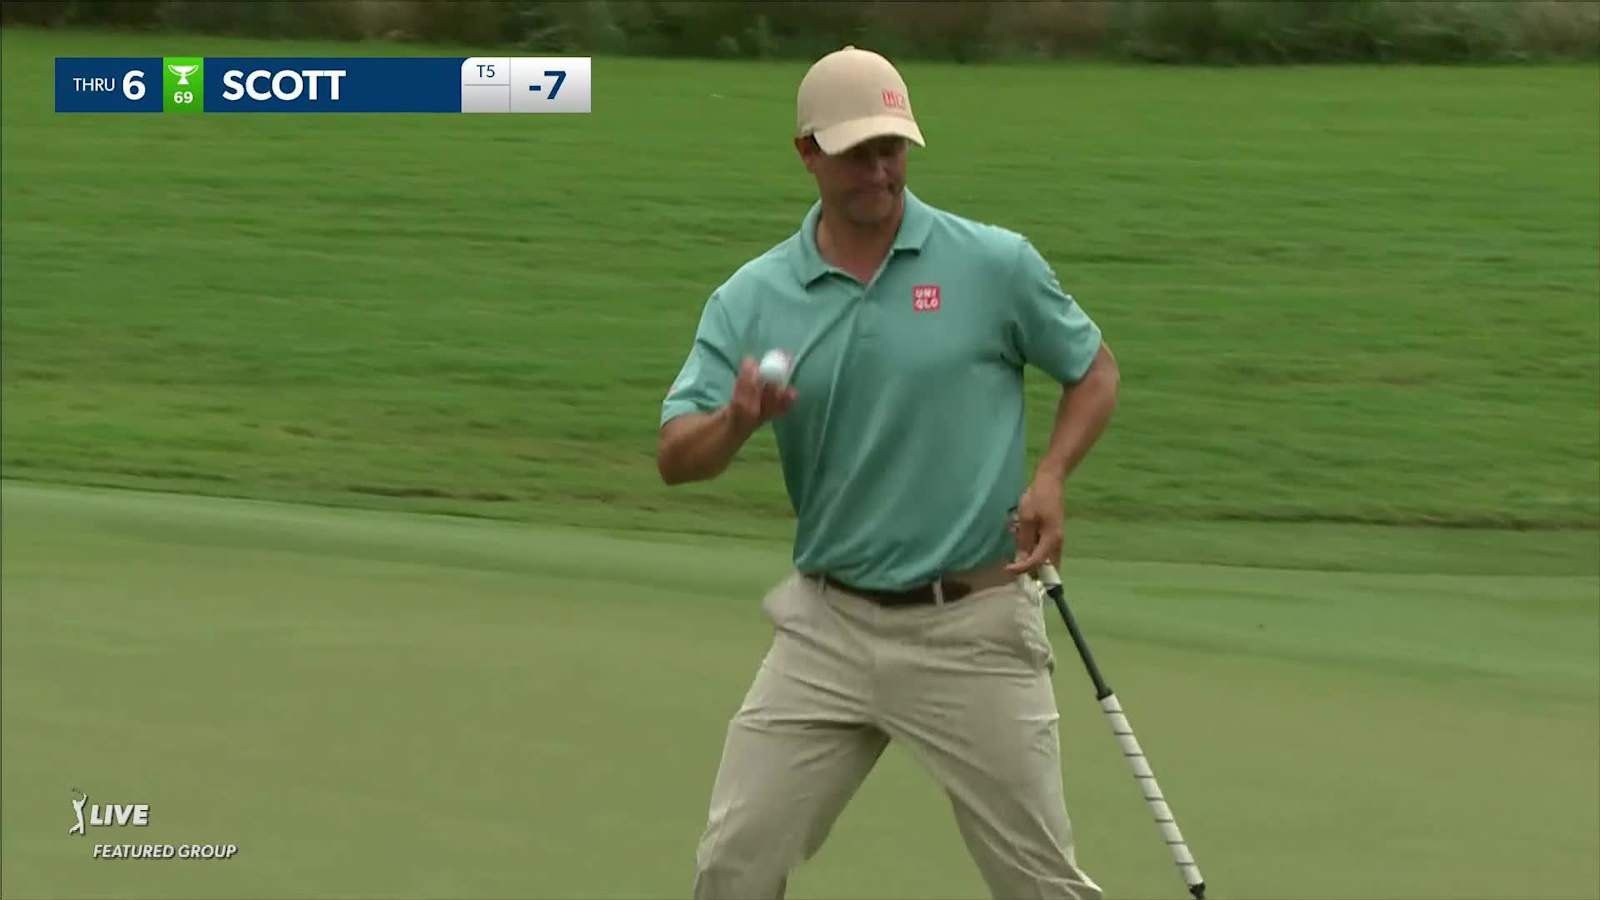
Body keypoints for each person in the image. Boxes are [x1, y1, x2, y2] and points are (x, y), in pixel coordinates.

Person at [657, 45, 1119, 900]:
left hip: (972, 627)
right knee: (733, 864)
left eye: (892, 148)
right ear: (807, 151)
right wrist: (736, 420)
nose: (880, 168)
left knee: (1042, 886)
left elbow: (1093, 371)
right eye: (857, 151)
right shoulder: (753, 297)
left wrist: (1052, 474)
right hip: (826, 629)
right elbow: (676, 456)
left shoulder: (992, 263)